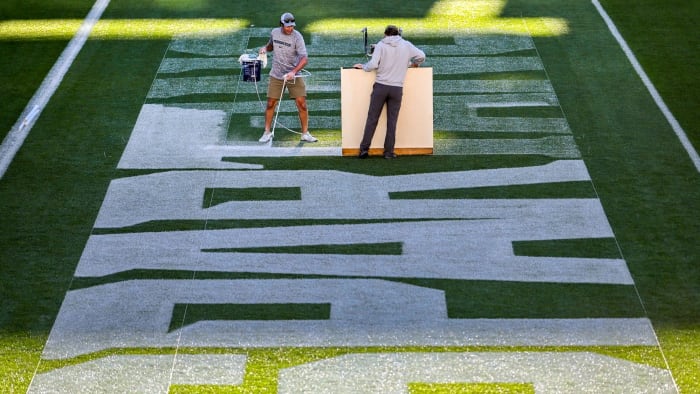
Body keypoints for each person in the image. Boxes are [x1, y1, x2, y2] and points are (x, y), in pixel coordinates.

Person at [353, 25, 425, 159]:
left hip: (381, 86)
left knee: (372, 119)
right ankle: (388, 152)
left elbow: (373, 64)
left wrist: (363, 66)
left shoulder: (381, 44)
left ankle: (364, 150)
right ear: (398, 34)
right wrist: (413, 64)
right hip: (397, 88)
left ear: (386, 34)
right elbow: (421, 56)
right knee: (392, 121)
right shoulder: (406, 45)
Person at [258, 12, 317, 143]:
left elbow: (304, 58)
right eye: (287, 26)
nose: (290, 28)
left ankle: (305, 133)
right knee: (270, 104)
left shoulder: (297, 37)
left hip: (293, 74)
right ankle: (267, 132)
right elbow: (271, 45)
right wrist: (265, 49)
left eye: (292, 26)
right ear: (281, 24)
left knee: (302, 104)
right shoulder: (275, 32)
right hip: (277, 74)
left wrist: (293, 72)